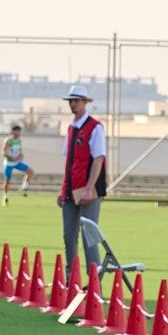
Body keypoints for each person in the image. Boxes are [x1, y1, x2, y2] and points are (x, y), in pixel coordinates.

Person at [59, 85, 106, 281]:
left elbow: (99, 159)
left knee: (89, 237)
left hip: (88, 189)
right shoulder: (71, 128)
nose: (73, 104)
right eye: (71, 101)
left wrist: (89, 189)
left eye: (76, 101)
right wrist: (63, 190)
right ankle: (71, 279)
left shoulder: (95, 128)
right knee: (69, 236)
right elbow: (68, 160)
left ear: (85, 103)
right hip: (71, 189)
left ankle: (94, 282)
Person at [1, 124, 35, 205]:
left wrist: (21, 155)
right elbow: (3, 152)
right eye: (17, 130)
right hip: (9, 163)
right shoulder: (8, 140)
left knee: (30, 171)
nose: (19, 132)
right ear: (13, 131)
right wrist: (11, 157)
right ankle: (5, 196)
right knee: (7, 180)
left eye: (19, 131)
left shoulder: (19, 140)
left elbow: (19, 150)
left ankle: (23, 188)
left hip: (17, 162)